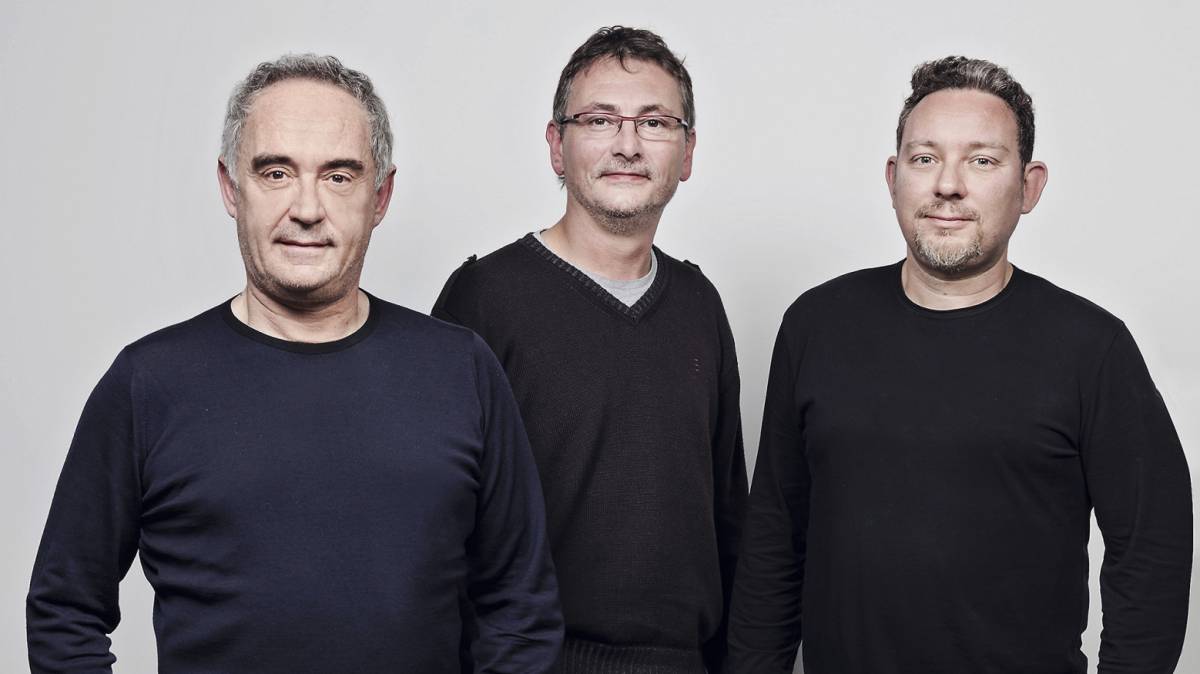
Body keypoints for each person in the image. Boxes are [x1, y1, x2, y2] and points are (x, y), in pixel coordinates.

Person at [27, 53, 562, 674]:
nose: (306, 209)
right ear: (231, 188)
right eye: (276, 172)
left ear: (381, 195)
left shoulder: (460, 370)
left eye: (339, 176)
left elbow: (521, 611)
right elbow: (64, 612)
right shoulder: (148, 384)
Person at [727, 56, 1192, 674]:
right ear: (893, 177)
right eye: (924, 158)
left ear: (1029, 187)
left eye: (982, 160)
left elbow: (1153, 545)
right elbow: (774, 536)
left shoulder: (1091, 347)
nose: (948, 185)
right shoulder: (818, 325)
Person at [433, 26, 747, 674]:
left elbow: (728, 520)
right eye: (600, 120)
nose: (627, 145)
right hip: (532, 662)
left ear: (687, 152)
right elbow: (436, 527)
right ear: (557, 145)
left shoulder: (699, 304)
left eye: (654, 122)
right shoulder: (484, 299)